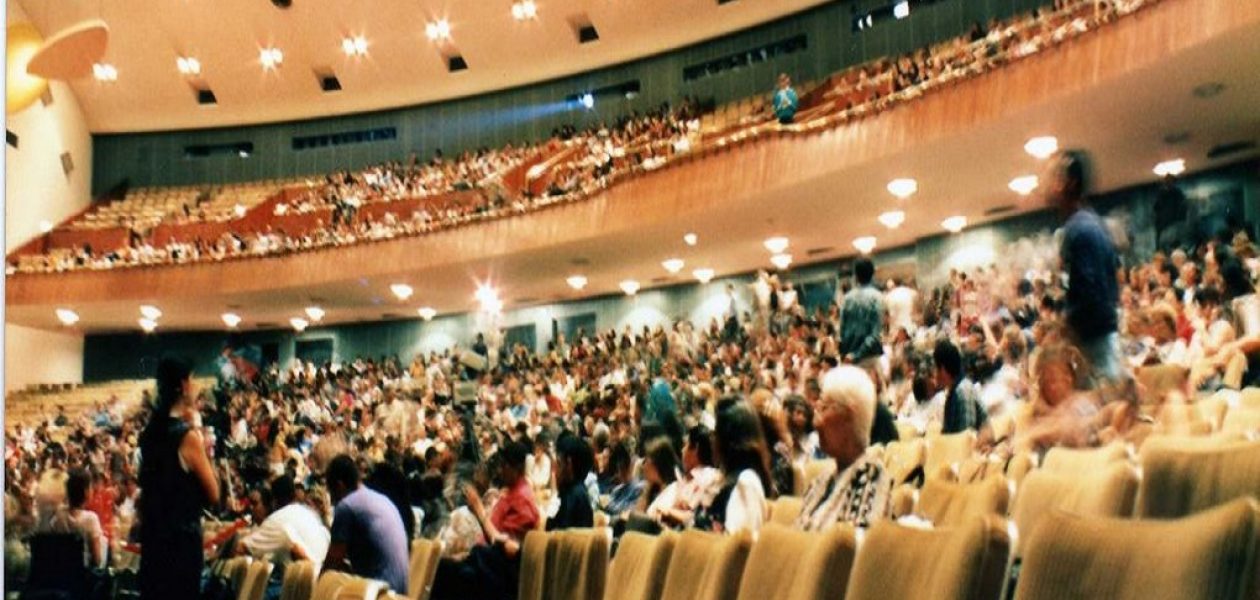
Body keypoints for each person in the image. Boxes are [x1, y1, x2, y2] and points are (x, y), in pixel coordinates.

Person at [138, 358, 220, 600]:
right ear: (184, 385)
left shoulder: (149, 433)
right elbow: (214, 494)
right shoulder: (187, 437)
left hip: (153, 541)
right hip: (180, 546)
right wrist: (202, 438)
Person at [432, 441, 539, 600]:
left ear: (517, 469)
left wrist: (479, 510)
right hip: (487, 561)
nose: (501, 470)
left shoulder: (522, 499)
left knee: (445, 571)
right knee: (441, 564)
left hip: (500, 573)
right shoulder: (510, 492)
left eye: (505, 466)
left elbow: (505, 548)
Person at [1050, 149, 1122, 383]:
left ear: (1069, 183)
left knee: (1105, 410)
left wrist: (1066, 326)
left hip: (1094, 345)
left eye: (1055, 179)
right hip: (1102, 339)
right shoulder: (1093, 223)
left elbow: (1089, 294)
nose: (1050, 187)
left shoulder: (1078, 229)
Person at [794, 367, 891, 531]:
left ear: (848, 417)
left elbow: (850, 549)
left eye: (824, 408)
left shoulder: (870, 477)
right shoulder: (822, 480)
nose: (816, 423)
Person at [324, 455, 409, 592]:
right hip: (400, 592)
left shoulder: (346, 506)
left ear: (340, 486)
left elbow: (331, 566)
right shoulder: (381, 499)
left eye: (331, 493)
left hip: (378, 593)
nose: (333, 501)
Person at [695, 398, 772, 534]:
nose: (712, 440)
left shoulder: (746, 483)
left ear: (727, 439)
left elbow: (739, 547)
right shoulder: (726, 479)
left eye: (715, 433)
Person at [239, 475, 330, 570]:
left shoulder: (276, 520)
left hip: (308, 579)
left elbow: (241, 548)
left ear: (273, 501)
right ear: (294, 495)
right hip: (327, 577)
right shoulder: (309, 513)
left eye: (255, 503)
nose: (251, 508)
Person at [841, 258, 887, 374]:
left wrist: (848, 356)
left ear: (855, 276)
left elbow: (842, 332)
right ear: (873, 274)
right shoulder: (877, 297)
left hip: (850, 360)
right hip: (870, 360)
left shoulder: (847, 299)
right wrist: (858, 355)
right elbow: (875, 334)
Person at [934, 339, 989, 435]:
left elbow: (968, 435)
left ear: (942, 370)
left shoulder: (964, 390)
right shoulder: (951, 392)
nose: (934, 374)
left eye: (935, 368)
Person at [548, 433, 594, 531]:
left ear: (569, 464)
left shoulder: (575, 496)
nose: (555, 470)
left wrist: (553, 496)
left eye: (559, 463)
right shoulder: (570, 491)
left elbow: (555, 535)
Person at [639, 438, 681, 522]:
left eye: (647, 461)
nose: (643, 466)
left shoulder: (673, 491)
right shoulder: (653, 489)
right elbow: (637, 514)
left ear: (657, 465)